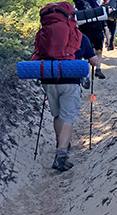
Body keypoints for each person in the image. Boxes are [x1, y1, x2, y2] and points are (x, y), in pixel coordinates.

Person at [41, 34, 98, 172]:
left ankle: (59, 142)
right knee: (68, 118)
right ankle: (61, 155)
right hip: (70, 82)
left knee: (57, 115)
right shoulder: (80, 37)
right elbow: (94, 61)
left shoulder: (47, 35)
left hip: (48, 81)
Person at [73, 0, 107, 79]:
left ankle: (86, 75)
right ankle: (98, 69)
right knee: (98, 52)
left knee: (85, 54)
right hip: (97, 31)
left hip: (84, 31)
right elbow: (103, 19)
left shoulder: (77, 5)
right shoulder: (95, 3)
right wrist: (107, 36)